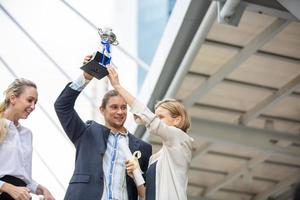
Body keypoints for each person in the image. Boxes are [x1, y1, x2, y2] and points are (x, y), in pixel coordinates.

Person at [54, 55, 152, 200]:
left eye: (123, 108)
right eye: (114, 107)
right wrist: (86, 76)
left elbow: (147, 192)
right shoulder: (86, 133)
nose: (120, 112)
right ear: (102, 110)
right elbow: (62, 106)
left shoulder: (143, 148)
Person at [106, 65, 194, 200]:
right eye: (156, 116)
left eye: (161, 117)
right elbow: (145, 195)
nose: (156, 120)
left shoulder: (182, 141)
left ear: (177, 120)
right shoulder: (155, 158)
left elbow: (151, 121)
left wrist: (117, 86)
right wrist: (135, 174)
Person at [0, 78, 55, 200]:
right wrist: (8, 187)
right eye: (29, 100)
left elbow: (24, 178)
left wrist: (43, 190)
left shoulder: (27, 134)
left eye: (35, 102)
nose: (33, 106)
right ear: (13, 98)